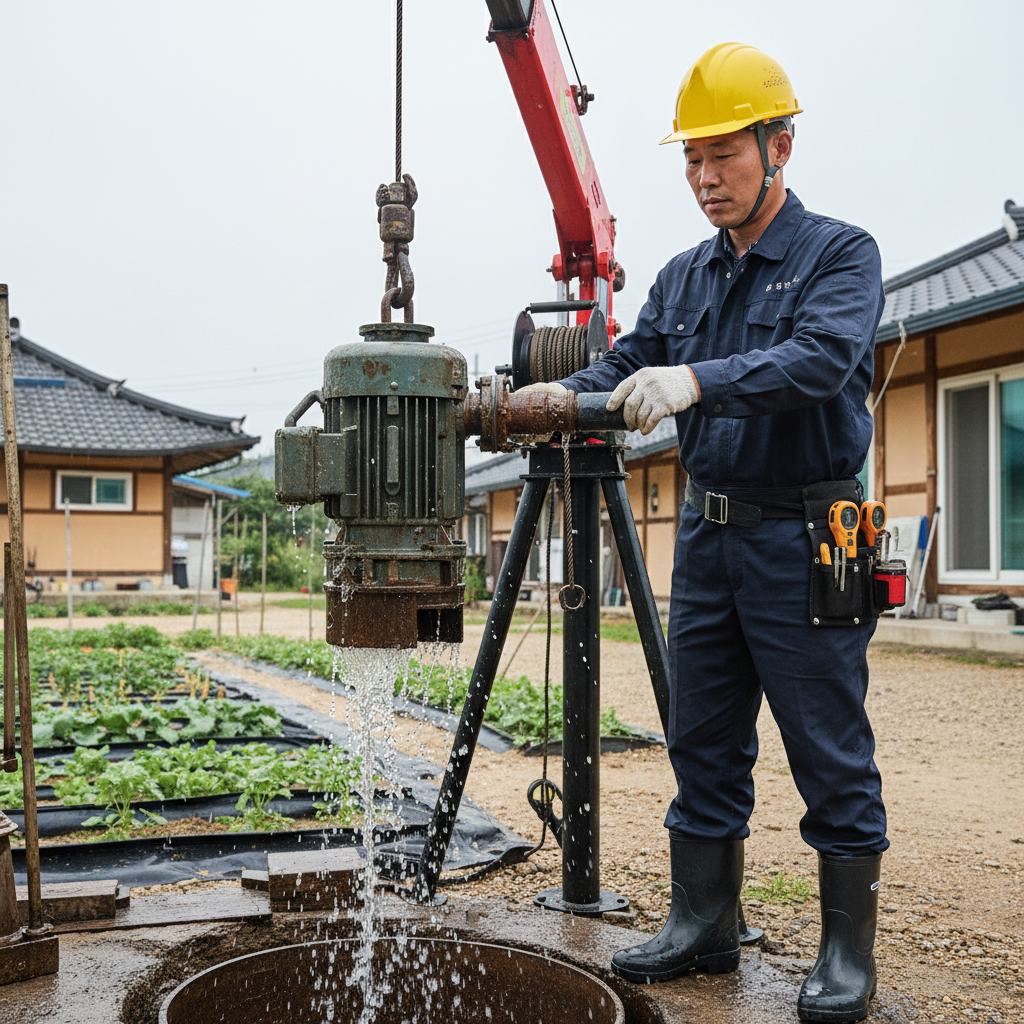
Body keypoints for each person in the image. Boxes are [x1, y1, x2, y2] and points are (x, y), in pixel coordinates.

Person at [521, 42, 888, 1024]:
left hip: (811, 534)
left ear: (780, 146)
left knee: (827, 745)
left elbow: (818, 360)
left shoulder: (839, 255)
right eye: (691, 158)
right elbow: (627, 361)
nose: (704, 176)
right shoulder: (684, 276)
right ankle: (703, 923)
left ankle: (845, 954)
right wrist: (556, 396)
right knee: (702, 737)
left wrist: (696, 381)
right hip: (709, 536)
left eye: (723, 153)